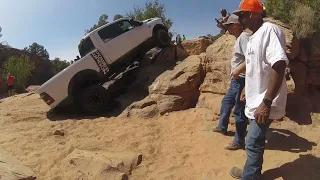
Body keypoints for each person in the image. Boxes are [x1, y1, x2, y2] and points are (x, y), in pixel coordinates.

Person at [229, 0, 289, 179]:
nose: (239, 19)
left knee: (253, 141)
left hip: (266, 100)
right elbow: (255, 66)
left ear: (250, 14)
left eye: (241, 14)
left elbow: (278, 65)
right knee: (254, 141)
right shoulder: (254, 36)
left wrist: (266, 102)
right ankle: (250, 171)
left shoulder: (269, 30)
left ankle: (250, 176)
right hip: (256, 99)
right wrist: (248, 88)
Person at [212, 14, 249, 151]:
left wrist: (238, 72)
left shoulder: (244, 37)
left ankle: (239, 141)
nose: (228, 30)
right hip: (236, 80)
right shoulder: (239, 37)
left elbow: (250, 59)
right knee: (226, 102)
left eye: (230, 26)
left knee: (239, 111)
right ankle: (222, 127)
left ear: (236, 25)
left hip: (241, 79)